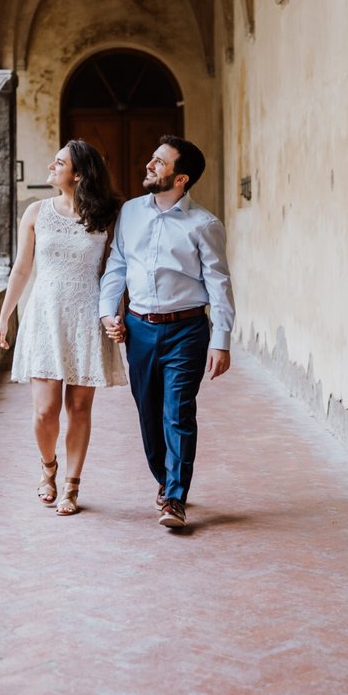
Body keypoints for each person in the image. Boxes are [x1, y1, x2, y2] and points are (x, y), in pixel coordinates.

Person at [99, 136, 234, 529]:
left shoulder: (204, 225)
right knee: (148, 414)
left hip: (187, 330)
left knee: (177, 412)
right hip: (138, 330)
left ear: (181, 178)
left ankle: (175, 497)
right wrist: (109, 312)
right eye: (152, 158)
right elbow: (117, 265)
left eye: (159, 162)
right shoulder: (129, 212)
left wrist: (221, 341)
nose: (149, 165)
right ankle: (164, 479)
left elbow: (219, 284)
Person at [0, 141, 126, 516]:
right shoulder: (36, 212)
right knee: (44, 412)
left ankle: (72, 485)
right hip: (45, 315)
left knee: (80, 407)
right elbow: (22, 269)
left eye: (59, 163)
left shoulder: (105, 217)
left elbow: (112, 274)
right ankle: (48, 467)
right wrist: (4, 317)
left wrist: (114, 315)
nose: (51, 167)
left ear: (79, 174)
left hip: (87, 315)